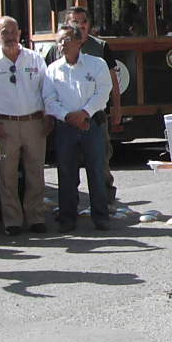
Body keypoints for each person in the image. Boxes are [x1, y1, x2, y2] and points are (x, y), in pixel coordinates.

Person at [0, 15, 51, 235]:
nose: (9, 36)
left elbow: (47, 89)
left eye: (13, 32)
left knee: (35, 173)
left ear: (19, 33)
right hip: (5, 125)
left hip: (33, 123)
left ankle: (36, 217)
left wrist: (49, 116)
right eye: (4, 32)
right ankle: (12, 221)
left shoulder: (34, 59)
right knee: (7, 176)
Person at [44, 23, 115, 232]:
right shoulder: (52, 69)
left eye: (66, 40)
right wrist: (68, 117)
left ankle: (101, 216)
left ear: (79, 41)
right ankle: (67, 218)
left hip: (92, 124)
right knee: (66, 173)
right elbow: (49, 100)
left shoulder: (97, 64)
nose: (61, 45)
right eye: (58, 41)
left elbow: (103, 92)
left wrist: (85, 113)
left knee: (96, 171)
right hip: (65, 126)